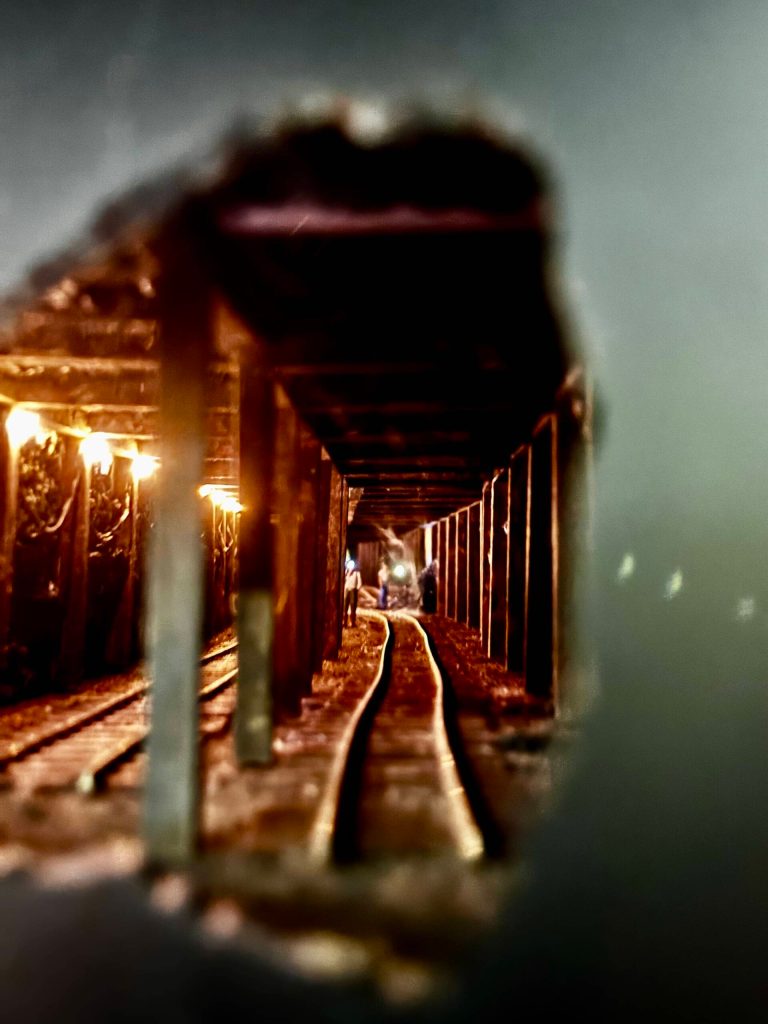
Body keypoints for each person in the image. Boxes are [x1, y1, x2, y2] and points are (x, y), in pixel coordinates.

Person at [343, 559, 362, 627]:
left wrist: (356, 589)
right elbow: (344, 581)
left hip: (352, 590)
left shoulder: (357, 573)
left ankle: (352, 622)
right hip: (346, 590)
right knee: (345, 606)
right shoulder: (345, 572)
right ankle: (344, 622)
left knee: (353, 606)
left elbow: (359, 583)